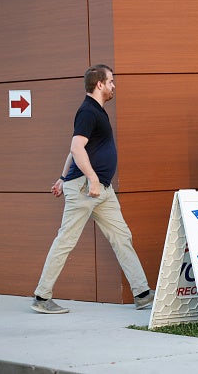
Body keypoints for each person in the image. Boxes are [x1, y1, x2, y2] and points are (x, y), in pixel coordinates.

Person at [31, 64, 154, 314]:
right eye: (111, 81)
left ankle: (142, 293)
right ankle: (42, 297)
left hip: (100, 190)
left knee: (122, 237)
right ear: (99, 84)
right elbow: (77, 148)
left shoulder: (97, 111)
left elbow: (77, 148)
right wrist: (92, 178)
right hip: (88, 188)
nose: (113, 86)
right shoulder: (88, 111)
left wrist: (62, 177)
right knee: (66, 240)